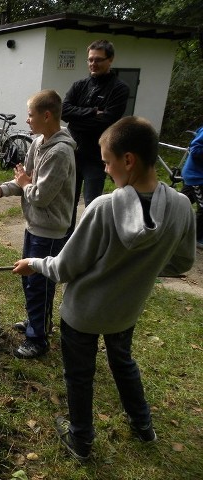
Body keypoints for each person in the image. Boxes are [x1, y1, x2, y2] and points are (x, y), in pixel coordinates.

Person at [13, 116, 196, 461]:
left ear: (128, 160)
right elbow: (181, 263)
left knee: (79, 376)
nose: (107, 170)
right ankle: (143, 426)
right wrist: (140, 270)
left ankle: (80, 440)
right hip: (125, 312)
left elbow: (64, 268)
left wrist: (33, 264)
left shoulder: (103, 208)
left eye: (108, 162)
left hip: (83, 315)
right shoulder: (182, 207)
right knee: (122, 361)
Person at [0, 90, 76, 359]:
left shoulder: (60, 153)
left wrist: (24, 183)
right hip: (34, 226)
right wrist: (1, 190)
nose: (27, 120)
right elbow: (25, 181)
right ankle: (38, 323)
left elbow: (39, 195)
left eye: (31, 115)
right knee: (30, 280)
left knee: (39, 285)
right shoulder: (38, 143)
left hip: (49, 230)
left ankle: (38, 339)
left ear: (47, 115)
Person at [62, 39, 129, 233]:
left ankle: (88, 246)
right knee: (68, 204)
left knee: (92, 206)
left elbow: (108, 120)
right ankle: (66, 245)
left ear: (110, 60)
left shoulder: (119, 89)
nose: (93, 64)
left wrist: (78, 117)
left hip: (97, 158)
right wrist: (92, 112)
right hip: (73, 155)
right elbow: (64, 111)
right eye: (90, 60)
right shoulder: (79, 85)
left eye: (98, 60)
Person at [181, 126, 203, 249]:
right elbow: (195, 149)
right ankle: (195, 238)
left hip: (196, 176)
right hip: (197, 177)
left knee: (179, 204)